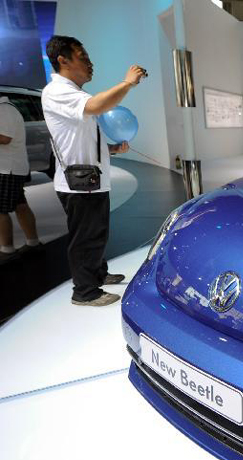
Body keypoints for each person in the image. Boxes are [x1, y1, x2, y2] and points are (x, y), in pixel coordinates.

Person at [41, 35, 145, 306]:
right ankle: (85, 292)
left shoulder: (73, 94)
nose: (90, 63)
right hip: (79, 182)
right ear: (63, 60)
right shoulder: (57, 92)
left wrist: (110, 150)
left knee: (96, 232)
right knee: (85, 237)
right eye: (82, 57)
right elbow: (99, 106)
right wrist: (127, 83)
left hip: (90, 178)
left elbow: (79, 140)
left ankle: (97, 273)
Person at [0, 96, 42, 263]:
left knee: (0, 210)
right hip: (10, 168)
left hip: (7, 169)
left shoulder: (4, 109)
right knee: (20, 205)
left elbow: (5, 138)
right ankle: (33, 243)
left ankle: (7, 249)